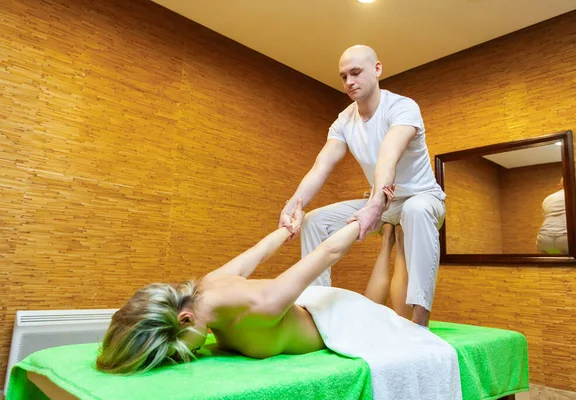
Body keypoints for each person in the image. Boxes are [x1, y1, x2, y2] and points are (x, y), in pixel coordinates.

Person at [96, 195, 393, 374]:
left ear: (185, 319)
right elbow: (259, 252)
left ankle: (391, 238)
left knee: (381, 312)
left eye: (176, 354)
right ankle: (391, 236)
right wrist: (290, 227)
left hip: (341, 321)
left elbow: (328, 252)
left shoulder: (261, 305)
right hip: (307, 307)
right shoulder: (208, 286)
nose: (185, 357)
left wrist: (369, 213)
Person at [278, 45, 445, 327]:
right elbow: (322, 165)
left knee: (415, 209)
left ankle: (419, 322)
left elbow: (388, 156)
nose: (349, 82)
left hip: (421, 198)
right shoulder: (344, 120)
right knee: (314, 221)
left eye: (355, 73)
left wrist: (375, 204)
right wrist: (294, 204)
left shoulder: (402, 107)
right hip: (383, 203)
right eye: (343, 76)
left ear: (377, 69)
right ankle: (318, 315)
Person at [536, 177, 568, 254]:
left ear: (560, 185)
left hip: (545, 239)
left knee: (553, 258)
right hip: (565, 238)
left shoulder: (548, 198)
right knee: (569, 262)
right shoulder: (573, 195)